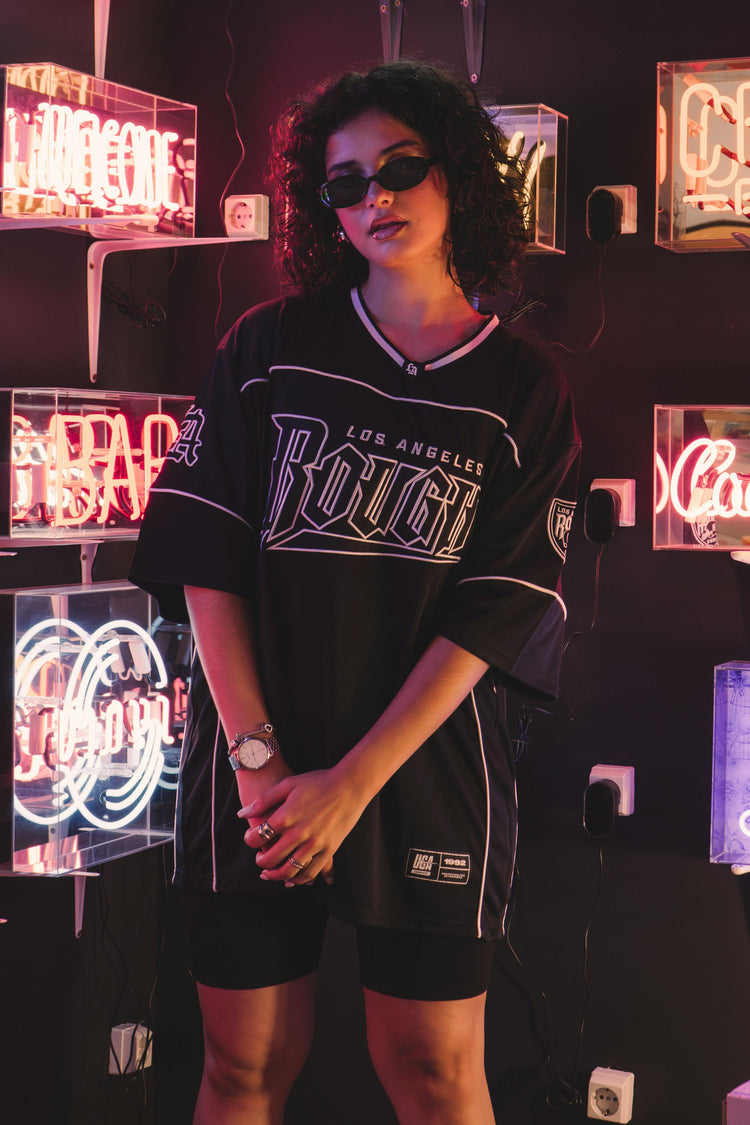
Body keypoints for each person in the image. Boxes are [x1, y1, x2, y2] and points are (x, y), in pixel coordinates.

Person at [130, 59, 580, 1125]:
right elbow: (205, 558)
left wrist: (354, 782)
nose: (374, 198)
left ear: (458, 173)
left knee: (433, 1074)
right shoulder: (269, 346)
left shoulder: (522, 386)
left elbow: (496, 609)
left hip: (426, 771)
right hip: (259, 770)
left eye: (400, 169)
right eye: (344, 183)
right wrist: (258, 762)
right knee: (240, 1067)